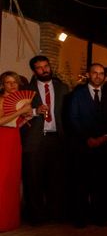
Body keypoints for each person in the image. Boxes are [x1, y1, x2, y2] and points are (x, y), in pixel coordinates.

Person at [21, 55, 69, 224]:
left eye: (46, 66)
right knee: (33, 178)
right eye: (40, 67)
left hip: (57, 138)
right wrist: (35, 111)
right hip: (34, 139)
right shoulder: (26, 89)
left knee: (56, 178)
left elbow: (67, 114)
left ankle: (55, 214)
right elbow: (18, 115)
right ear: (34, 71)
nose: (44, 69)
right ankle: (35, 216)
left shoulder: (63, 88)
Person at [67, 63, 107, 228]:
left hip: (103, 146)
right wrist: (87, 138)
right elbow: (73, 118)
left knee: (101, 183)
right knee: (81, 183)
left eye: (101, 73)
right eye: (95, 73)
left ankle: (99, 216)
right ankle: (80, 218)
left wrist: (105, 137)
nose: (98, 76)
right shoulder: (77, 95)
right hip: (82, 146)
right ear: (88, 74)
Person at [0, 71, 33, 231]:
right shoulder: (1, 100)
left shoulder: (20, 102)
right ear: (2, 85)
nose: (13, 85)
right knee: (2, 179)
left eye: (15, 82)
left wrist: (25, 118)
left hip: (14, 139)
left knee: (13, 179)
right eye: (8, 82)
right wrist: (20, 112)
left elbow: (14, 124)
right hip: (2, 140)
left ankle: (9, 220)